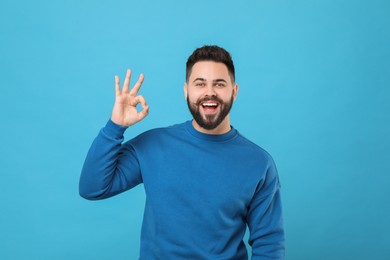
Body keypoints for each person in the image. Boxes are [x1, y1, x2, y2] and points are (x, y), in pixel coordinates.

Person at [79, 45, 285, 259]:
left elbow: (269, 244)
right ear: (186, 90)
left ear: (234, 91)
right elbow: (92, 188)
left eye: (219, 84)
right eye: (200, 83)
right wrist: (115, 126)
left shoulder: (259, 163)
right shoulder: (153, 144)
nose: (210, 92)